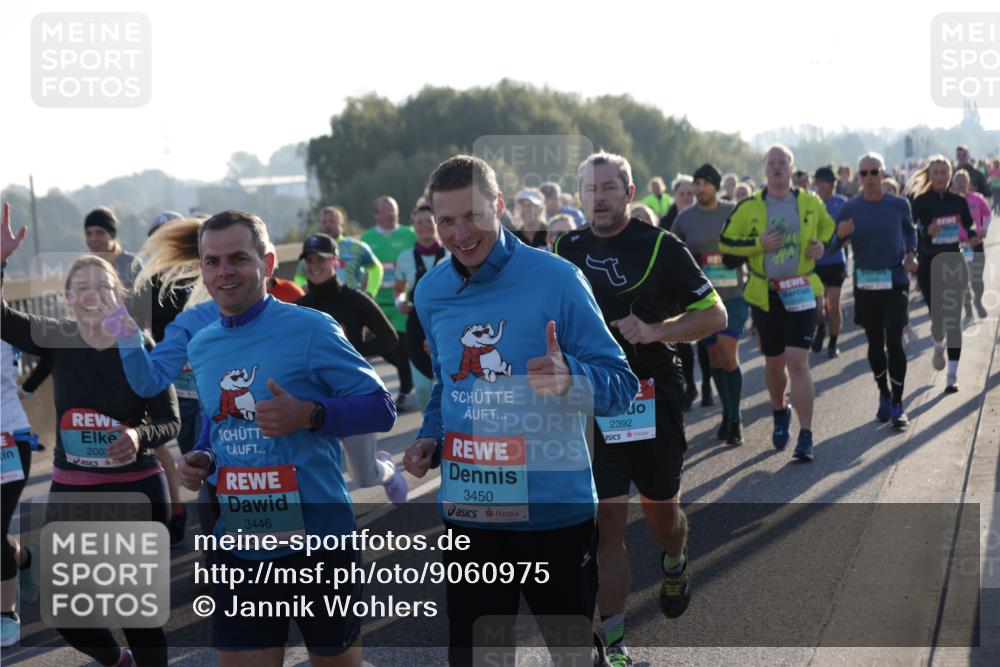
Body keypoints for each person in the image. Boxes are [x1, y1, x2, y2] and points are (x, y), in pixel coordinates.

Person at [402, 155, 638, 666]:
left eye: (473, 216)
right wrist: (430, 437)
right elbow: (449, 385)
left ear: (500, 208)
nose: (460, 234)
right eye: (447, 221)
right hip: (471, 511)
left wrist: (572, 376)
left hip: (554, 511)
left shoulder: (558, 279)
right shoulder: (431, 292)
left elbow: (621, 384)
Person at [164, 210, 395, 666]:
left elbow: (380, 407)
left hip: (319, 544)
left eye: (238, 258)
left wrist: (308, 414)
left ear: (268, 264)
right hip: (240, 546)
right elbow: (218, 422)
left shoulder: (311, 328)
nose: (224, 272)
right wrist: (204, 457)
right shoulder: (202, 345)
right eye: (212, 262)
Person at [556, 152, 725, 666]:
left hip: (652, 395)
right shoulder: (565, 247)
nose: (599, 197)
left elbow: (714, 314)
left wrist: (656, 331)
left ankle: (675, 558)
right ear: (580, 196)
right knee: (607, 521)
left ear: (629, 193)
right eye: (590, 189)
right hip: (592, 401)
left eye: (609, 187)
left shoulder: (661, 246)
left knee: (660, 516)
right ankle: (613, 641)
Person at [2, 203, 180, 666]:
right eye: (81, 288)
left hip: (136, 486)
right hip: (73, 488)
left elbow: (169, 418)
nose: (92, 294)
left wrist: (141, 437)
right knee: (71, 614)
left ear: (119, 293)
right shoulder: (57, 337)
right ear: (68, 298)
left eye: (102, 285)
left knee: (137, 612)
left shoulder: (139, 344)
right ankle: (118, 662)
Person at [719, 144, 835, 462]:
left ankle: (806, 435)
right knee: (774, 364)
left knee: (798, 362)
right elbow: (726, 242)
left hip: (801, 290)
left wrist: (821, 244)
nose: (778, 167)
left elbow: (828, 226)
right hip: (765, 294)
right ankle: (779, 409)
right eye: (772, 162)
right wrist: (758, 244)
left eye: (783, 162)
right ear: (765, 169)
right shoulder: (749, 206)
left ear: (791, 167)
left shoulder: (808, 201)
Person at [296, 233, 407, 504]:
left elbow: (389, 338)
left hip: (353, 394)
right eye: (308, 260)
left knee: (365, 477)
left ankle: (389, 471)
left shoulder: (355, 300)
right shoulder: (298, 308)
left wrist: (351, 352)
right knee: (315, 474)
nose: (314, 266)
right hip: (313, 399)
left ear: (335, 262)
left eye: (320, 259)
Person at [830, 152, 917, 430]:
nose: (868, 178)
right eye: (863, 173)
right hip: (866, 284)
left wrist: (912, 253)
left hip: (895, 280)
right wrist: (841, 235)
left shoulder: (899, 204)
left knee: (894, 340)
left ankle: (899, 403)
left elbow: (909, 232)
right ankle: (884, 393)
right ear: (858, 177)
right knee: (875, 343)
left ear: (883, 174)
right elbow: (832, 246)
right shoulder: (850, 208)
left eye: (873, 172)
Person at [671, 163, 748, 445]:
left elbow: (749, 243)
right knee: (715, 359)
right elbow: (673, 251)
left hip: (734, 296)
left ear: (715, 185)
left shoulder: (732, 211)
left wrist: (736, 257)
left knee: (729, 355)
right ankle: (727, 414)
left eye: (705, 182)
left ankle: (736, 418)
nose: (700, 188)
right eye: (697, 183)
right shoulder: (685, 218)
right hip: (703, 300)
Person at [907, 155, 978, 392]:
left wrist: (973, 234)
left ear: (949, 174)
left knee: (953, 318)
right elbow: (911, 231)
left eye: (943, 172)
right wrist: (927, 230)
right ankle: (938, 344)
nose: (940, 176)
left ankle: (952, 375)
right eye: (935, 172)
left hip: (953, 260)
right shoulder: (920, 201)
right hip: (928, 262)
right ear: (929, 175)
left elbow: (968, 227)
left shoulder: (958, 200)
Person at [392, 205, 449, 414]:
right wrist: (400, 302)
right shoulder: (405, 257)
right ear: (413, 227)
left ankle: (452, 427)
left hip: (445, 322)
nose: (424, 226)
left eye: (428, 221)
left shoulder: (451, 253)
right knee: (423, 388)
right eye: (419, 222)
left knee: (452, 380)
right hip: (416, 324)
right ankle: (430, 428)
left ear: (436, 223)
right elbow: (399, 290)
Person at [362, 196, 417, 410]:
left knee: (401, 346)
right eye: (383, 211)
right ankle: (410, 372)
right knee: (384, 347)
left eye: (392, 210)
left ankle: (404, 389)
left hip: (400, 300)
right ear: (376, 214)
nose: (388, 214)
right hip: (378, 303)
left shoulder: (408, 234)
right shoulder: (367, 238)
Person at [294, 206, 384, 296]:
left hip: (351, 302)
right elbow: (299, 276)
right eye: (324, 222)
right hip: (321, 302)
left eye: (332, 221)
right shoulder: (312, 250)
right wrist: (306, 291)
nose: (328, 225)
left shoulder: (357, 247)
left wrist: (370, 292)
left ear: (342, 225)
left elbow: (376, 269)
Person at [810, 166, 849, 358]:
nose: (825, 186)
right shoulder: (808, 203)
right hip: (814, 263)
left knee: (833, 304)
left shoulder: (842, 203)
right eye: (821, 182)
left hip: (835, 262)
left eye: (829, 183)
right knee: (817, 308)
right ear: (815, 184)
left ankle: (833, 343)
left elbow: (850, 230)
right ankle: (820, 329)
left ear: (834, 185)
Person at [951, 170, 991, 321]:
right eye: (958, 180)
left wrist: (984, 229)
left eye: (963, 180)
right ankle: (968, 310)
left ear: (968, 183)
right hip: (959, 245)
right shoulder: (950, 202)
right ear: (953, 184)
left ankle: (978, 301)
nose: (961, 183)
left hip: (976, 243)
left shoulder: (977, 198)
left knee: (977, 279)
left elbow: (988, 214)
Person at [84, 206, 143, 289]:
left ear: (112, 235)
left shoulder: (132, 265)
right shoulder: (84, 267)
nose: (93, 239)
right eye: (89, 234)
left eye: (100, 233)